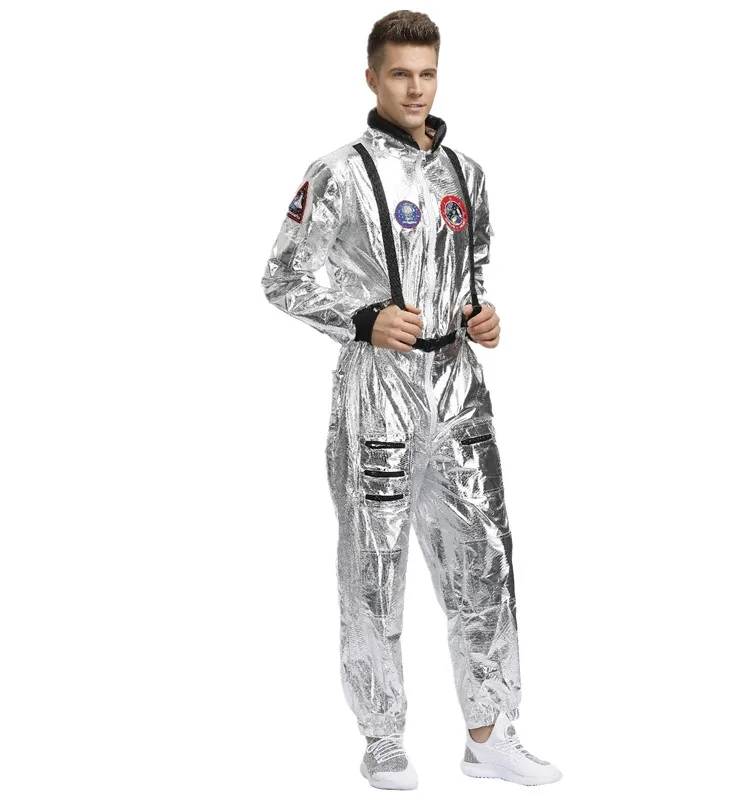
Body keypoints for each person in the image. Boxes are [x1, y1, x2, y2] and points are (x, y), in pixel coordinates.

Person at [261, 10, 562, 790]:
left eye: (426, 73)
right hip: (380, 389)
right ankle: (383, 734)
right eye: (400, 73)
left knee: (485, 557)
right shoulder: (338, 172)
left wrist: (479, 316)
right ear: (372, 77)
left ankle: (490, 732)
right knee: (376, 560)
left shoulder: (468, 173)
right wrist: (362, 318)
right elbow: (283, 277)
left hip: (459, 385)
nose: (416, 88)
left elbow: (472, 269)